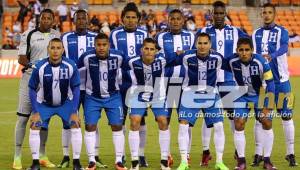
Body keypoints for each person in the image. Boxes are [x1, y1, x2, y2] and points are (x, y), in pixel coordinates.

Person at [196, 1, 248, 166]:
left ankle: (238, 153)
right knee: (208, 118)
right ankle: (206, 151)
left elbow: (245, 52)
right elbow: (195, 54)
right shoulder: (203, 31)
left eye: (221, 13)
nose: (218, 16)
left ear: (225, 14)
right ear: (211, 14)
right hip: (209, 82)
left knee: (234, 117)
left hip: (229, 80)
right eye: (216, 13)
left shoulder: (236, 31)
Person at [13, 9, 60, 170]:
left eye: (49, 18)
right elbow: (21, 58)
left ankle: (42, 155)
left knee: (43, 119)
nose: (46, 20)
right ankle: (17, 156)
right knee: (23, 118)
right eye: (43, 18)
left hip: (48, 83)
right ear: (40, 19)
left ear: (53, 20)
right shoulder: (28, 34)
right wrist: (34, 66)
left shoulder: (57, 34)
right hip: (29, 80)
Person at [252, 3, 297, 167]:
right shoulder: (255, 33)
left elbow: (285, 46)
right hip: (263, 84)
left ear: (274, 14)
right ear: (261, 14)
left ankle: (290, 153)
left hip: (283, 82)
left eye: (270, 12)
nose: (266, 15)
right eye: (264, 12)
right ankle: (258, 154)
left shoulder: (282, 31)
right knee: (261, 119)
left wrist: (271, 55)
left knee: (287, 116)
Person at [27, 38, 84, 170]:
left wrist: (74, 111)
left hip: (65, 103)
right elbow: (31, 88)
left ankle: (76, 162)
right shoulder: (40, 67)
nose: (55, 51)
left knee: (75, 124)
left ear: (63, 50)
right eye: (52, 48)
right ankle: (35, 163)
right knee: (35, 125)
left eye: (58, 48)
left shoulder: (71, 65)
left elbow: (76, 88)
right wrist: (35, 111)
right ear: (48, 49)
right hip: (44, 104)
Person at [60, 9, 107, 168]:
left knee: (92, 122)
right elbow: (60, 59)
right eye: (78, 19)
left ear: (88, 21)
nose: (81, 21)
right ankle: (67, 156)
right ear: (73, 21)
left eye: (83, 19)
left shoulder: (95, 38)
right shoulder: (65, 38)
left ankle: (95, 155)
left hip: (90, 87)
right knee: (68, 122)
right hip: (70, 87)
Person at [175, 33, 228, 170]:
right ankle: (183, 162)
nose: (202, 46)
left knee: (219, 126)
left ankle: (219, 162)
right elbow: (169, 61)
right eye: (200, 43)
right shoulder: (187, 56)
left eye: (205, 43)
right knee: (183, 125)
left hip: (211, 95)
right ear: (195, 44)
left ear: (210, 45)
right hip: (190, 94)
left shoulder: (217, 58)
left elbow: (232, 65)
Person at [77, 33, 127, 170]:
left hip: (113, 97)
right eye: (98, 45)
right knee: (90, 126)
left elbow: (130, 68)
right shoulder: (87, 57)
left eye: (104, 45)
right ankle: (92, 160)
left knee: (117, 126)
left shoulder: (119, 56)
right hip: (92, 97)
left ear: (109, 45)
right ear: (94, 45)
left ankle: (118, 160)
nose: (101, 48)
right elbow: (74, 68)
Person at [225, 37, 276, 170]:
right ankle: (241, 161)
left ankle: (267, 160)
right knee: (239, 123)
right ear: (237, 50)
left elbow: (270, 84)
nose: (244, 53)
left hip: (259, 94)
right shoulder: (231, 60)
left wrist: (268, 107)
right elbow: (215, 62)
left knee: (266, 121)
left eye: (247, 50)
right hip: (241, 95)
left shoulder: (261, 61)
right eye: (241, 50)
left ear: (252, 50)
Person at [109, 2, 149, 166]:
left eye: (134, 17)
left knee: (141, 120)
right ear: (122, 19)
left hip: (139, 83)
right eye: (128, 17)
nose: (131, 20)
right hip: (120, 82)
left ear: (138, 19)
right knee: (121, 119)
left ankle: (141, 154)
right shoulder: (114, 34)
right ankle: (123, 154)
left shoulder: (144, 33)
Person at [155, 8, 195, 166]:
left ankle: (187, 154)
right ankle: (167, 154)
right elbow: (161, 59)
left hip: (185, 84)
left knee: (185, 121)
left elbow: (193, 55)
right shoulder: (160, 37)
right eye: (172, 19)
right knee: (164, 120)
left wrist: (180, 55)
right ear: (167, 20)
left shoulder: (191, 36)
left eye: (178, 18)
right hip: (166, 84)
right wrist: (178, 55)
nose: (175, 21)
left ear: (183, 20)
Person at [126, 38, 171, 170]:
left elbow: (179, 57)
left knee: (163, 121)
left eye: (152, 49)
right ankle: (134, 162)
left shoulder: (162, 60)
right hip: (138, 95)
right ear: (141, 50)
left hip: (158, 95)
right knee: (134, 121)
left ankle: (164, 161)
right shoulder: (132, 62)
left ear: (156, 51)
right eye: (146, 48)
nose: (149, 51)